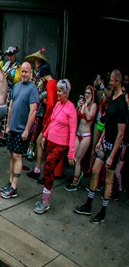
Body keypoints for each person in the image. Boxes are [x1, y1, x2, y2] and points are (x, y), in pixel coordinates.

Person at [76, 70, 126, 223]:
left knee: (109, 180)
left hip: (113, 147)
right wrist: (100, 141)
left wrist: (112, 156)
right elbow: (108, 124)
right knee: (95, 171)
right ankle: (89, 204)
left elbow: (121, 133)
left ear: (118, 81)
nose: (109, 82)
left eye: (112, 80)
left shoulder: (122, 105)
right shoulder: (113, 99)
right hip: (105, 143)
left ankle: (103, 211)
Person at [34, 79, 78, 214]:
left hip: (61, 145)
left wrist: (71, 153)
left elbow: (73, 131)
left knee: (48, 168)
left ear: (66, 93)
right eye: (57, 90)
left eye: (60, 91)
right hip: (50, 142)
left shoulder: (71, 108)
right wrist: (45, 135)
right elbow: (51, 121)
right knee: (47, 169)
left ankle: (45, 202)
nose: (57, 93)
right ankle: (44, 199)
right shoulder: (58, 105)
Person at [0, 62, 39, 200]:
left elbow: (33, 111)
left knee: (17, 156)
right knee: (11, 155)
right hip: (13, 127)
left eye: (26, 72)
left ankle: (14, 187)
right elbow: (10, 106)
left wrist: (27, 130)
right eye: (22, 71)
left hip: (22, 130)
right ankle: (10, 182)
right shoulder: (16, 86)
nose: (24, 74)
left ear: (31, 73)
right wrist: (8, 125)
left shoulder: (33, 89)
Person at [65, 85, 98, 191]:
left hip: (86, 135)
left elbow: (89, 117)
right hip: (78, 133)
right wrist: (78, 107)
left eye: (89, 93)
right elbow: (74, 116)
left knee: (78, 159)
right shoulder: (82, 104)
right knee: (72, 157)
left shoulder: (93, 105)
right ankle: (77, 174)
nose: (87, 95)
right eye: (86, 93)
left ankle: (75, 183)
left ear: (92, 95)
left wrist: (86, 105)